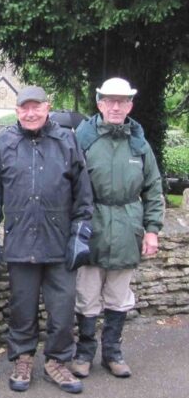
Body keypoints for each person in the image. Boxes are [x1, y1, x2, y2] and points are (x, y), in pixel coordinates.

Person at [0, 85, 93, 394]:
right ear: (17, 110)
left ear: (47, 107)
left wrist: (80, 234)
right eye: (24, 108)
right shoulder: (3, 142)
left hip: (59, 242)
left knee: (63, 309)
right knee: (22, 307)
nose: (30, 113)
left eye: (36, 107)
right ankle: (22, 358)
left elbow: (83, 195)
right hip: (20, 240)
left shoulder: (67, 141)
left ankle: (57, 361)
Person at [70, 77, 163, 379]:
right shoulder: (83, 139)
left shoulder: (139, 144)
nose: (115, 107)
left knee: (119, 296)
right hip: (91, 226)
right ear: (99, 104)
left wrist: (152, 229)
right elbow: (67, 184)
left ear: (130, 106)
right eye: (110, 101)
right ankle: (84, 353)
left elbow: (153, 188)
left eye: (122, 101)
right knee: (86, 295)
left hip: (126, 228)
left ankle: (112, 353)